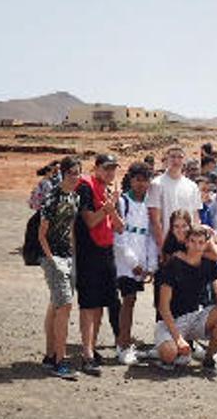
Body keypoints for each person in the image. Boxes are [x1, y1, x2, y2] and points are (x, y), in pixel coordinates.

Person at [153, 226, 217, 374]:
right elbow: (163, 307)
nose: (197, 246)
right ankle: (174, 350)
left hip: (196, 317)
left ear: (206, 244)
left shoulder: (209, 264)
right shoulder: (173, 264)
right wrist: (178, 339)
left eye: (201, 242)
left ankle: (209, 360)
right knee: (169, 353)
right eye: (193, 241)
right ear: (186, 243)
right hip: (172, 321)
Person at [73, 154, 124, 376]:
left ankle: (91, 349)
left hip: (106, 252)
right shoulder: (85, 188)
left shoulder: (107, 191)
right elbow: (90, 220)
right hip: (89, 253)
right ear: (96, 168)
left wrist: (112, 209)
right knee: (88, 304)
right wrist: (107, 208)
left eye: (113, 169)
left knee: (102, 302)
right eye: (106, 168)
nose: (110, 172)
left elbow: (120, 227)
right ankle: (86, 355)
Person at [37, 156, 82, 379]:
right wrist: (52, 260)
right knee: (65, 305)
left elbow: (70, 228)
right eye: (72, 173)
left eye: (78, 173)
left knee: (56, 304)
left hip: (67, 257)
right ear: (63, 173)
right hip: (52, 257)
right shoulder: (52, 196)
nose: (76, 177)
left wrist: (72, 255)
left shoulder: (75, 197)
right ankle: (59, 362)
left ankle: (49, 355)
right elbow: (41, 234)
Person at [113, 162, 154, 366]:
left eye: (145, 180)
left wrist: (150, 264)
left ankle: (124, 340)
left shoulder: (150, 204)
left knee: (132, 300)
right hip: (124, 261)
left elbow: (150, 237)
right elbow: (119, 238)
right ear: (131, 179)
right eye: (138, 179)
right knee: (128, 300)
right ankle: (123, 345)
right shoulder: (122, 202)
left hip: (141, 261)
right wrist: (133, 262)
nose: (141, 184)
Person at [149, 146, 203, 255]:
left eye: (180, 157)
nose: (176, 160)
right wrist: (162, 246)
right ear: (166, 159)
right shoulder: (157, 184)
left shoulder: (192, 186)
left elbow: (195, 217)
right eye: (173, 157)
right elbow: (155, 220)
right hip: (167, 243)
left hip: (189, 243)